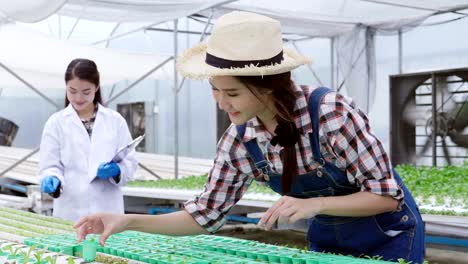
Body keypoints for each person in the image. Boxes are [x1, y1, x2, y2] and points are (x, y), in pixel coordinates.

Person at [74, 12, 424, 263]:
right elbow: (205, 215)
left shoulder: (330, 114)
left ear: (268, 86)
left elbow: (386, 196)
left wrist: (313, 204)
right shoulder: (240, 141)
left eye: (234, 93)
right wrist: (127, 222)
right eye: (215, 90)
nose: (222, 103)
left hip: (389, 235)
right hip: (330, 237)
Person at [39, 58, 138, 222]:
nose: (78, 98)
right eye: (72, 91)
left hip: (108, 211)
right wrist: (52, 178)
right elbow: (49, 165)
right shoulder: (56, 123)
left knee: (107, 247)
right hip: (70, 212)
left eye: (86, 92)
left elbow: (130, 161)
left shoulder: (114, 121)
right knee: (72, 247)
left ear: (97, 88)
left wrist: (117, 170)